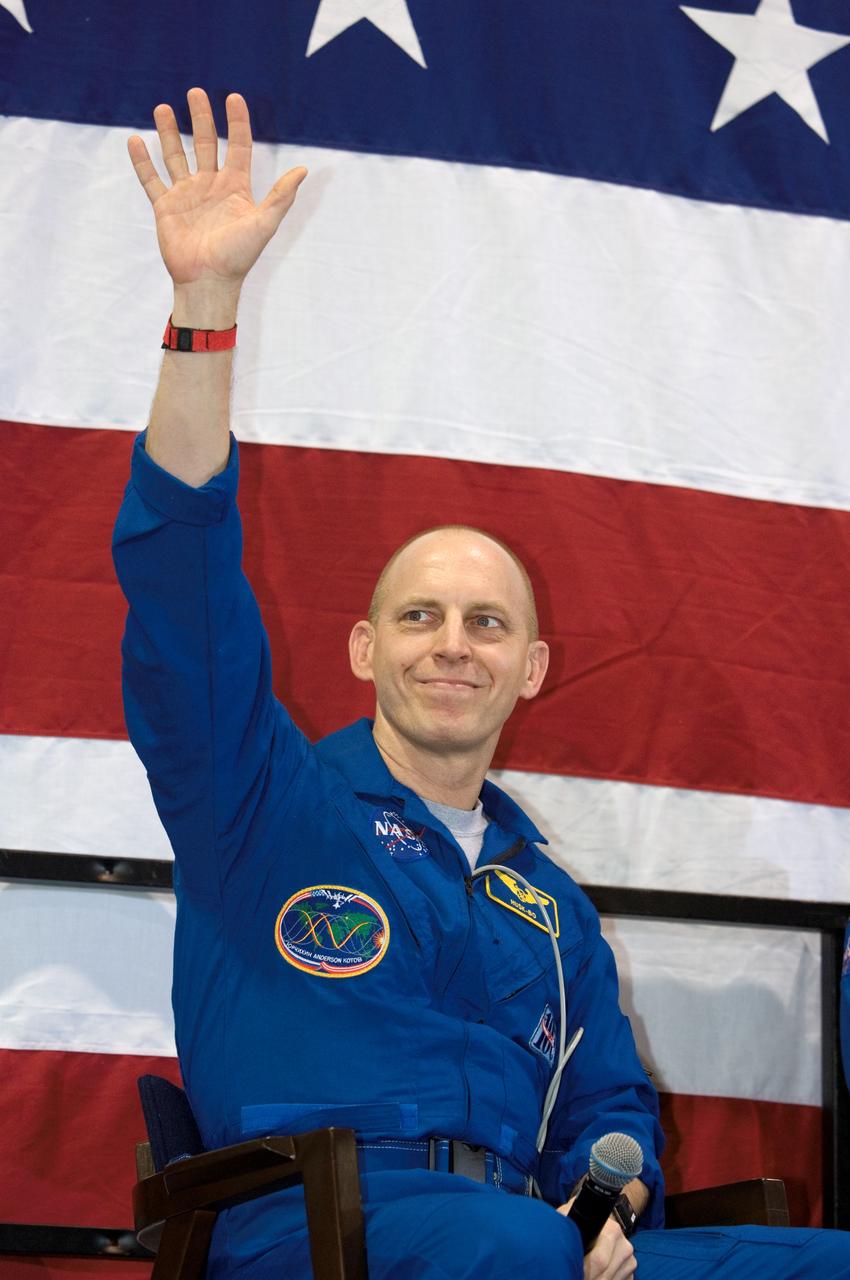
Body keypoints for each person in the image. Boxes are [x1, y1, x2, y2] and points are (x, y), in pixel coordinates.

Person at [113, 88, 850, 1280]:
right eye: (419, 615)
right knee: (506, 1244)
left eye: (486, 622)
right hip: (311, 1230)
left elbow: (608, 1104)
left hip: (532, 1239)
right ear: (364, 649)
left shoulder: (550, 906)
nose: (451, 642)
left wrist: (615, 1186)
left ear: (529, 669)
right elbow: (181, 585)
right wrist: (205, 305)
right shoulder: (255, 802)